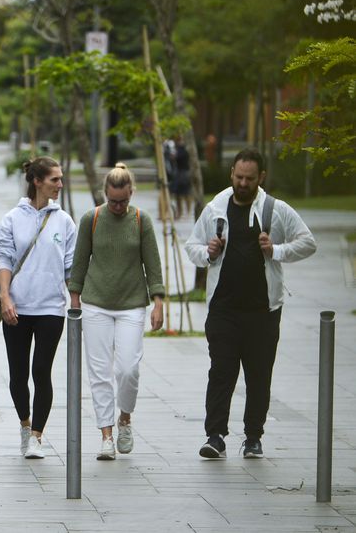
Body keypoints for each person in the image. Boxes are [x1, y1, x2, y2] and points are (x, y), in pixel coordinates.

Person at [185, 148, 316, 459]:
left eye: (250, 179)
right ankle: (215, 436)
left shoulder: (275, 209)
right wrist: (209, 253)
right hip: (223, 309)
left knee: (259, 375)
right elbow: (192, 246)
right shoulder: (215, 208)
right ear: (232, 173)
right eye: (238, 177)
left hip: (263, 311)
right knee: (221, 372)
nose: (243, 183)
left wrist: (277, 250)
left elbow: (308, 242)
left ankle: (253, 437)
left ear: (261, 178)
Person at [68, 164, 165, 461]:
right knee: (99, 373)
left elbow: (153, 263)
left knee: (128, 369)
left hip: (132, 304)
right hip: (96, 303)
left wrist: (158, 301)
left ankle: (125, 418)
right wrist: (75, 300)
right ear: (104, 195)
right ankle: (106, 436)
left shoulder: (141, 219)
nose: (119, 206)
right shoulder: (92, 219)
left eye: (123, 200)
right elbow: (80, 262)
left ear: (131, 193)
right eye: (113, 201)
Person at [0, 156, 76, 459]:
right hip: (17, 306)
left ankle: (37, 437)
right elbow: (4, 259)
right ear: (37, 181)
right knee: (18, 375)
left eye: (61, 178)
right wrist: (5, 297)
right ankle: (25, 424)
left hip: (51, 308)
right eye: (55, 179)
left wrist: (76, 301)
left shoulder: (64, 221)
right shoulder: (12, 219)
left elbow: (70, 266)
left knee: (41, 371)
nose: (60, 184)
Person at [168, 135, 192, 220]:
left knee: (185, 193)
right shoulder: (177, 149)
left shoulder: (183, 149)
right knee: (179, 194)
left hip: (183, 172)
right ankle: (181, 212)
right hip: (179, 173)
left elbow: (178, 157)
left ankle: (187, 212)